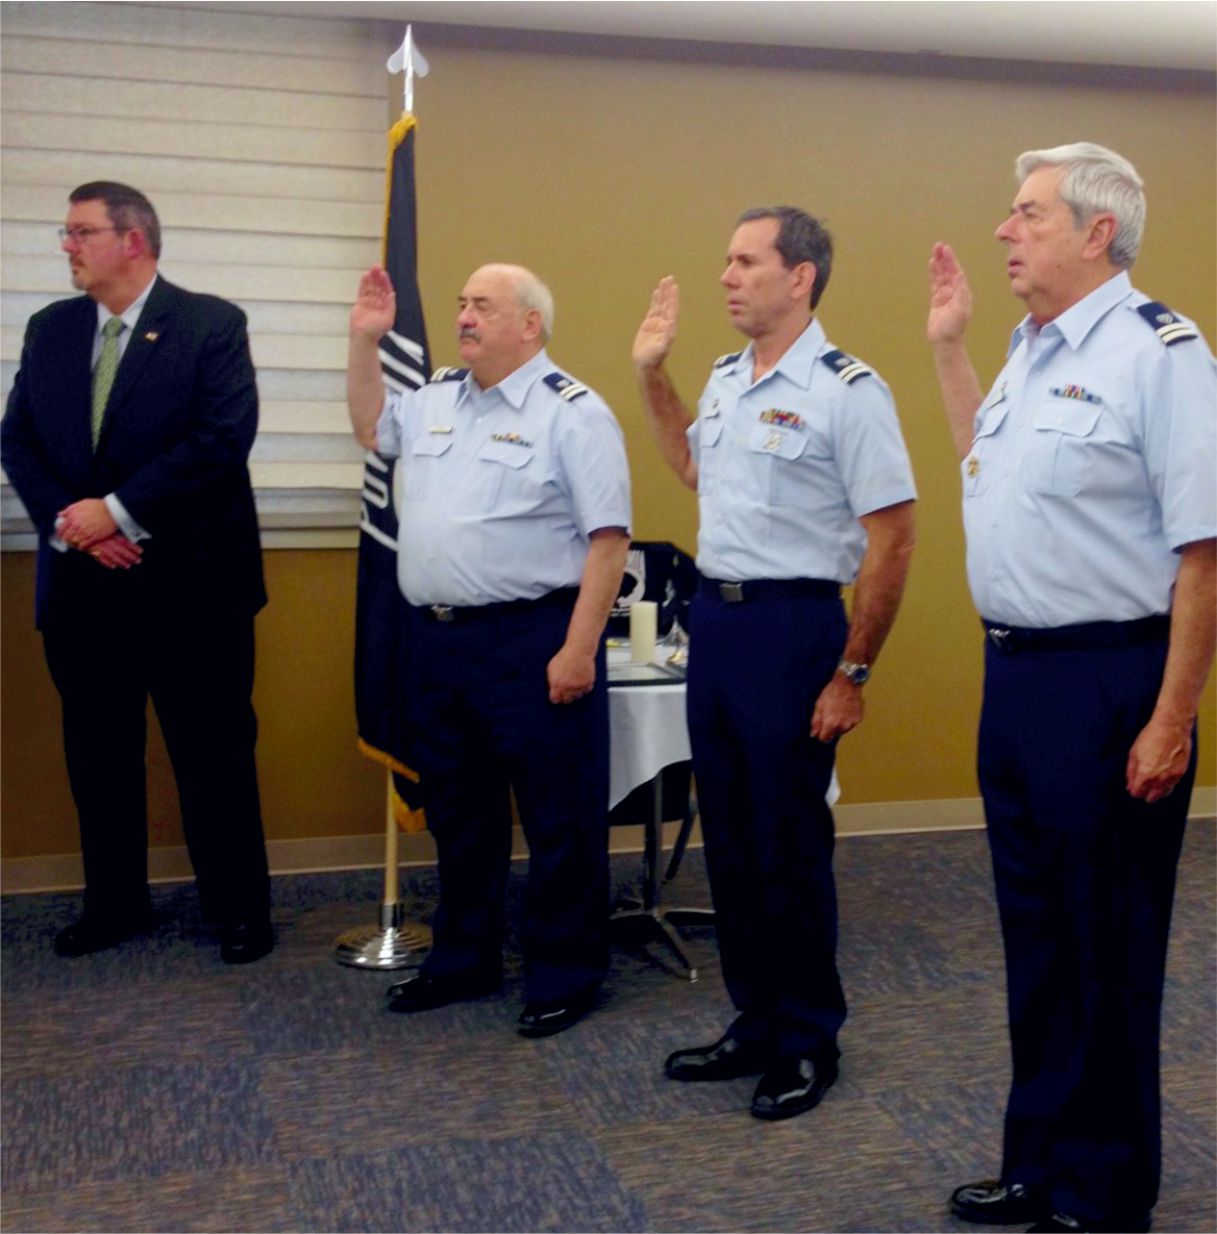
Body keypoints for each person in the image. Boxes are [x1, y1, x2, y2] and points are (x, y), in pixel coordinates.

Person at [927, 143, 1216, 1234]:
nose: (1003, 230)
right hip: (1018, 682)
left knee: (1109, 946)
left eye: (1026, 213)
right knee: (1037, 940)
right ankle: (1036, 1160)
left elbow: (1203, 553)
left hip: (1110, 685)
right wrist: (951, 353)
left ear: (1097, 232)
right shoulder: (1027, 348)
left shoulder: (1161, 354)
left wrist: (1170, 716)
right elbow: (984, 474)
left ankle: (1102, 1192)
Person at [633, 207, 917, 1119]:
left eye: (745, 261)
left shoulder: (848, 389)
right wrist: (652, 376)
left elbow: (894, 537)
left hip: (795, 630)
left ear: (799, 278)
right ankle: (753, 1020)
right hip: (715, 624)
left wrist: (852, 671)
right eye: (725, 259)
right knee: (733, 839)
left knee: (790, 847)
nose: (726, 275)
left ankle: (806, 1039)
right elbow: (690, 470)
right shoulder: (724, 377)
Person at [347, 262, 630, 1037]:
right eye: (461, 302)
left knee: (558, 821)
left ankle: (565, 973)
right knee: (460, 817)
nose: (464, 316)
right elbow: (373, 428)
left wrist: (578, 650)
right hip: (435, 642)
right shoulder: (434, 398)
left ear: (529, 325)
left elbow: (608, 542)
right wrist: (364, 344)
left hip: (532, 638)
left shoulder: (571, 413)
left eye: (482, 306)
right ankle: (463, 959)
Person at [1, 182, 272, 963]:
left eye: (82, 231)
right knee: (98, 754)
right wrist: (77, 524)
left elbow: (221, 440)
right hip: (85, 588)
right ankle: (114, 905)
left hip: (192, 586)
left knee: (212, 754)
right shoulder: (50, 329)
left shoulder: (208, 324)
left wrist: (115, 511)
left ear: (134, 240)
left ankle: (238, 909)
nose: (67, 245)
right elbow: (18, 440)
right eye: (66, 232)